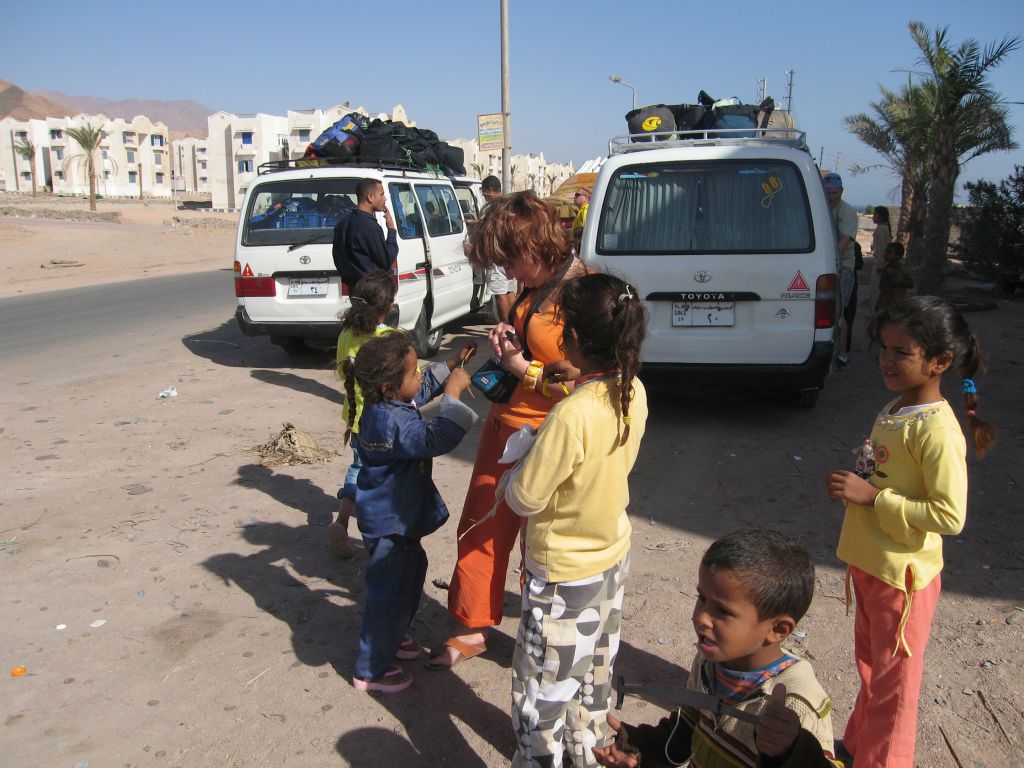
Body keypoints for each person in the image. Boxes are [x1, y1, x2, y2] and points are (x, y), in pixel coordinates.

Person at [827, 296, 997, 766]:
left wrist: (872, 498)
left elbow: (949, 516)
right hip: (872, 565)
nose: (886, 359)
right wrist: (856, 482)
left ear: (939, 361)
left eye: (901, 351)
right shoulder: (897, 407)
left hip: (902, 580)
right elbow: (886, 473)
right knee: (873, 670)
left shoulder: (937, 431)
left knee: (896, 685)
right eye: (884, 347)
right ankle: (858, 748)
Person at [427, 191, 590, 670]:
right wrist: (509, 338)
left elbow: (588, 386)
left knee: (541, 545)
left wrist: (524, 369)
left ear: (534, 246)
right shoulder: (534, 284)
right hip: (505, 427)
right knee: (480, 526)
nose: (506, 271)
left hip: (548, 438)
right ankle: (472, 624)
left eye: (508, 260)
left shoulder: (583, 295)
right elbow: (536, 346)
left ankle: (543, 638)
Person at [504, 273, 649, 767]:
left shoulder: (570, 417)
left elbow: (524, 497)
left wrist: (517, 465)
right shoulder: (633, 390)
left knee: (541, 690)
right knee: (592, 677)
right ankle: (588, 754)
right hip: (610, 558)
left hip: (563, 575)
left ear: (573, 339)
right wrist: (577, 383)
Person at [593, 529, 841, 768]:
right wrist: (641, 750)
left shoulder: (795, 706)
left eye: (722, 611)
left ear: (778, 629)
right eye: (702, 598)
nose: (702, 617)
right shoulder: (708, 663)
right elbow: (687, 731)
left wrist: (791, 751)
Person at [346, 331, 478, 693]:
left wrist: (450, 365)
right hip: (389, 524)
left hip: (396, 522)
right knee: (389, 594)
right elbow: (435, 438)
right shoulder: (390, 422)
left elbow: (419, 391)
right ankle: (370, 669)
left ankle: (392, 634)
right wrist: (451, 395)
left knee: (409, 578)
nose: (420, 375)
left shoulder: (386, 404)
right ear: (389, 386)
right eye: (414, 371)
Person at [328, 269, 397, 559]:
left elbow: (342, 372)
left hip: (354, 419)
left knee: (359, 468)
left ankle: (343, 521)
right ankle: (369, 528)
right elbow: (409, 381)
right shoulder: (390, 339)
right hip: (382, 425)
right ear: (389, 307)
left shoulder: (345, 335)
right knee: (381, 476)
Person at [332, 178, 398, 289]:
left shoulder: (342, 223)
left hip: (355, 289)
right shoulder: (370, 227)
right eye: (382, 194)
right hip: (372, 291)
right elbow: (386, 260)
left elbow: (337, 259)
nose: (385, 199)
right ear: (370, 197)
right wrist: (391, 229)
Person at [823, 172, 857, 368]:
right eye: (827, 192)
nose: (830, 196)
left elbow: (844, 241)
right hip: (827, 265)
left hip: (842, 266)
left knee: (839, 312)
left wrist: (827, 259)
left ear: (841, 192)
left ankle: (842, 354)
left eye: (834, 193)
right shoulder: (823, 208)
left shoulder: (846, 211)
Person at [480, 175, 519, 322]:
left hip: (497, 254)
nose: (483, 195)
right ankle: (515, 324)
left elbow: (492, 230)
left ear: (490, 189)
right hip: (509, 253)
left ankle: (507, 325)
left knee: (500, 293)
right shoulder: (508, 204)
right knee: (509, 291)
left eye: (483, 191)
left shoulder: (494, 207)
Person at [875, 241, 913, 315]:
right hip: (884, 303)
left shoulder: (901, 269)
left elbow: (910, 284)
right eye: (886, 251)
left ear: (898, 256)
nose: (886, 254)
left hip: (896, 303)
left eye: (889, 252)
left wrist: (900, 280)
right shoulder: (886, 267)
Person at [868, 206, 892, 311]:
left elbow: (882, 249)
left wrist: (882, 265)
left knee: (875, 289)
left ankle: (875, 312)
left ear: (881, 217)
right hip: (881, 262)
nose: (873, 217)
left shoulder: (881, 229)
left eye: (875, 215)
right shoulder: (884, 228)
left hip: (880, 263)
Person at [571, 187, 591, 251]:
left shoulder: (586, 209)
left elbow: (586, 229)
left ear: (585, 198)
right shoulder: (581, 210)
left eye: (577, 195)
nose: (575, 197)